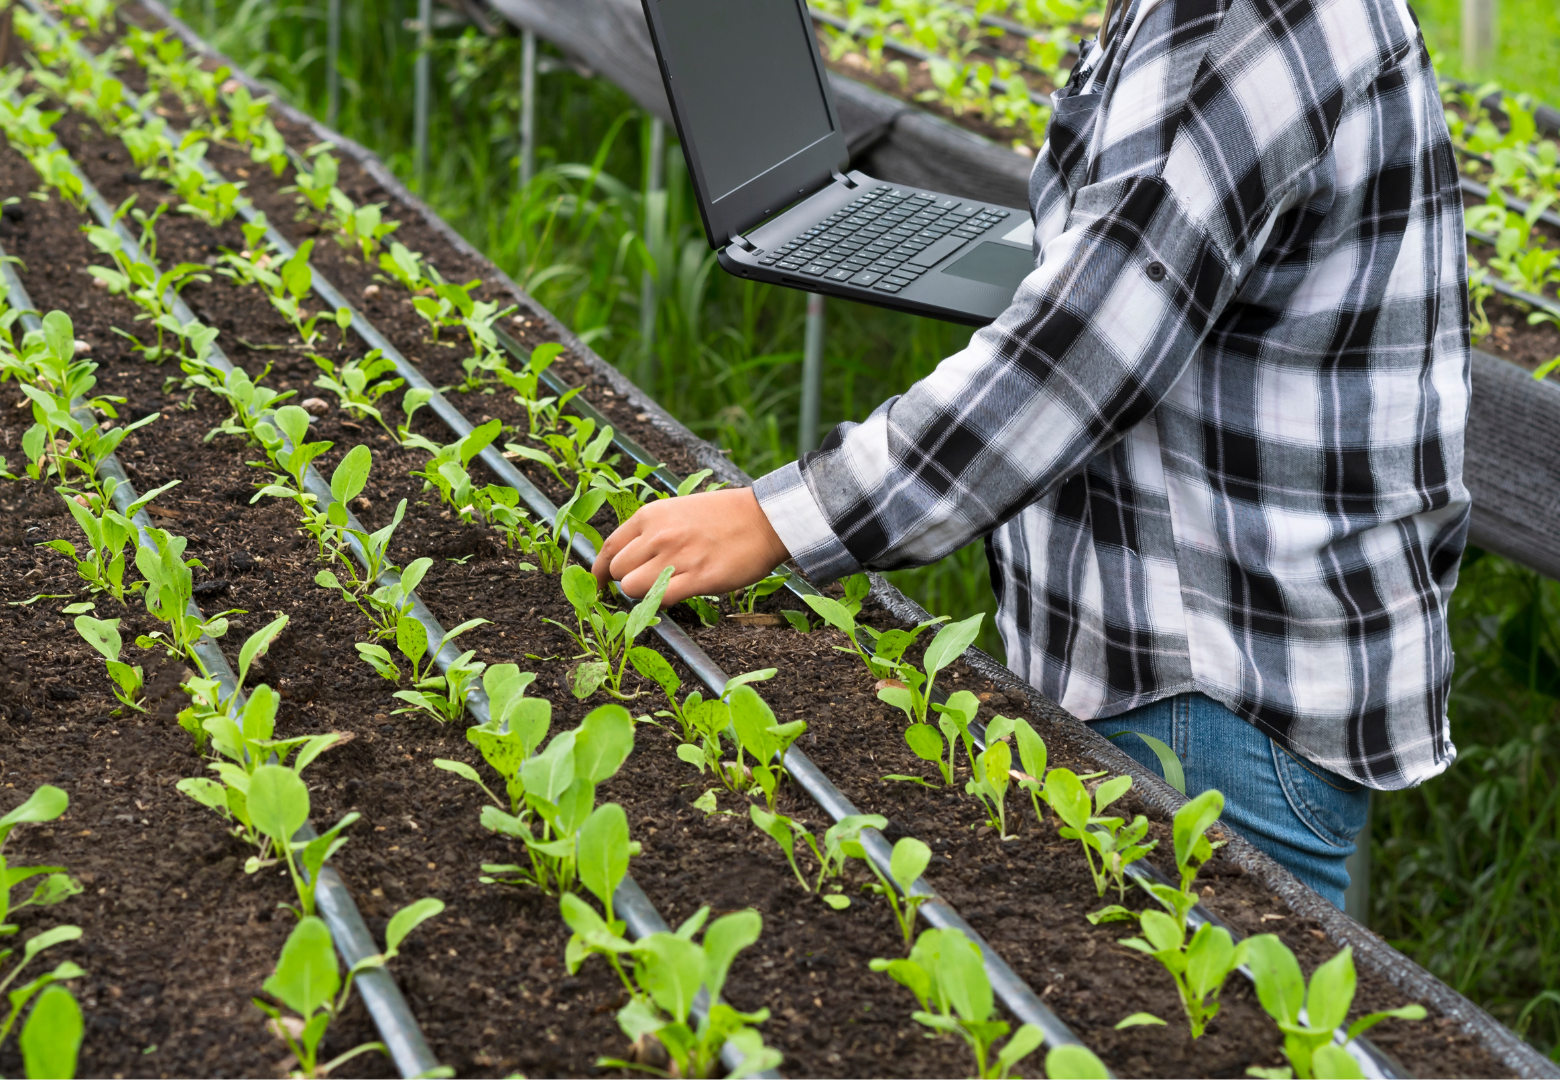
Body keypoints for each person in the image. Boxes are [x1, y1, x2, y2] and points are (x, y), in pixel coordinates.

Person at [593, 0, 1469, 909]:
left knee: (1193, 1026)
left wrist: (778, 516)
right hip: (1213, 663)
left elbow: (1081, 355)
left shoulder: (1233, 21)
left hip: (1211, 691)